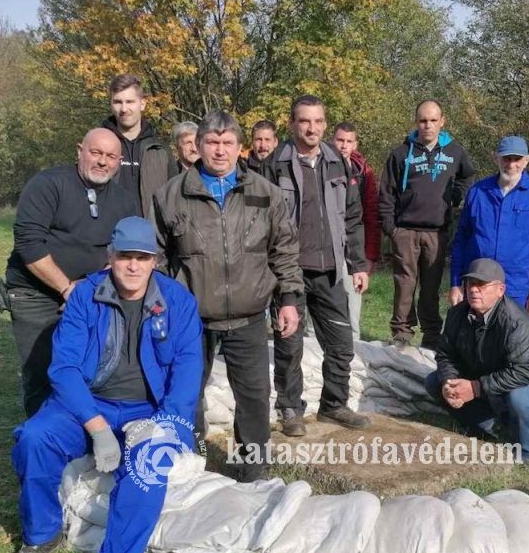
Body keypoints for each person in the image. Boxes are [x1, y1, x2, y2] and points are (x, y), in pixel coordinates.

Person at [5, 216, 203, 553]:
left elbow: (188, 368)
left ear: (155, 261)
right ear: (110, 256)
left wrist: (162, 425)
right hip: (89, 404)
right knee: (34, 438)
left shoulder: (178, 301)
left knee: (146, 472)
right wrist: (96, 427)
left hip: (149, 411)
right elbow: (63, 368)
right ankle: (40, 536)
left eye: (142, 258)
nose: (133, 266)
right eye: (125, 256)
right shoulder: (84, 297)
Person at [154, 110, 302, 481]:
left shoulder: (266, 194)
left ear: (241, 147)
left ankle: (252, 468)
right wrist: (162, 304)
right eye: (212, 142)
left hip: (249, 315)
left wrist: (289, 300)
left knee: (253, 398)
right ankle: (190, 465)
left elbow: (283, 249)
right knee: (186, 394)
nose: (220, 151)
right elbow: (156, 256)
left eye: (228, 143)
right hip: (191, 319)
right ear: (198, 145)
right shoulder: (170, 195)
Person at [4, 128, 139, 417]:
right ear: (80, 151)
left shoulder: (126, 200)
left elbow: (125, 250)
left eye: (111, 156)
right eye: (96, 152)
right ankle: (42, 448)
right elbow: (29, 244)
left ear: (119, 162)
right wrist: (67, 288)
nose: (103, 161)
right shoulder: (47, 185)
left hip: (93, 294)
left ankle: (82, 442)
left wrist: (87, 289)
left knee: (89, 371)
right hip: (36, 295)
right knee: (41, 374)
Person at [262, 97, 371, 436]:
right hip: (289, 272)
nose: (312, 128)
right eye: (305, 121)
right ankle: (291, 409)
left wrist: (358, 264)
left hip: (330, 271)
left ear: (325, 124)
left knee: (341, 344)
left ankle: (334, 404)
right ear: (292, 124)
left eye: (318, 121)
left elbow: (352, 217)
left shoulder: (338, 162)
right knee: (290, 345)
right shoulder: (274, 165)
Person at [426, 258, 529, 463]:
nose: (474, 290)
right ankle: (489, 428)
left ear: (500, 289)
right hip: (488, 368)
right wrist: (448, 380)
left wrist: (477, 387)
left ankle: (523, 453)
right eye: (470, 284)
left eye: (481, 285)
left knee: (520, 398)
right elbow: (445, 354)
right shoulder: (456, 314)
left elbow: (524, 371)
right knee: (435, 382)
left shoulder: (515, 321)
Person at [378, 100, 474, 349]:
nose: (427, 125)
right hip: (406, 230)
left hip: (437, 231)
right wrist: (391, 228)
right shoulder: (401, 153)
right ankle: (402, 331)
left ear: (442, 121)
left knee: (431, 286)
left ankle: (432, 333)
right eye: (422, 120)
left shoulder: (454, 151)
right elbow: (386, 191)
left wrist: (456, 196)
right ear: (416, 122)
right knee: (405, 283)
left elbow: (467, 175)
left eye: (433, 120)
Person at [448, 135, 529, 326]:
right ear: (496, 158)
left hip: (519, 285)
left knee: (517, 345)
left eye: (517, 159)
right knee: (475, 341)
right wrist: (456, 283)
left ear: (527, 160)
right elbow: (461, 240)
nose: (511, 164)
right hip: (478, 283)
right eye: (506, 158)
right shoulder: (478, 192)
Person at [331, 121, 382, 339]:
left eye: (349, 141)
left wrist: (368, 257)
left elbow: (370, 215)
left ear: (355, 144)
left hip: (352, 247)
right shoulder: (319, 166)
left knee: (352, 303)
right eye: (340, 140)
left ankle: (353, 351)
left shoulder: (363, 172)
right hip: (324, 245)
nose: (344, 145)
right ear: (332, 140)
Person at [101, 74, 178, 216]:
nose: (123, 109)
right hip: (108, 234)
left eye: (130, 102)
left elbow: (175, 197)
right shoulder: (99, 146)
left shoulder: (160, 149)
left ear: (142, 104)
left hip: (151, 234)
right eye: (118, 102)